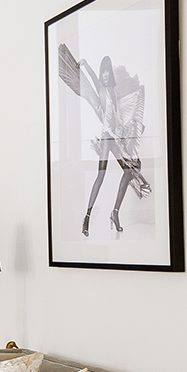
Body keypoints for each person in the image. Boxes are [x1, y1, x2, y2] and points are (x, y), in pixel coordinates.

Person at [56, 45, 152, 238]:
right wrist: (86, 65)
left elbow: (118, 115)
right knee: (101, 176)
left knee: (129, 170)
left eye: (108, 71)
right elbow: (92, 79)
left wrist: (128, 131)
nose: (106, 75)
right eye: (103, 72)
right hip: (107, 136)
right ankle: (87, 216)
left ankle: (115, 212)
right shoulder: (101, 89)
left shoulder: (114, 92)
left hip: (116, 136)